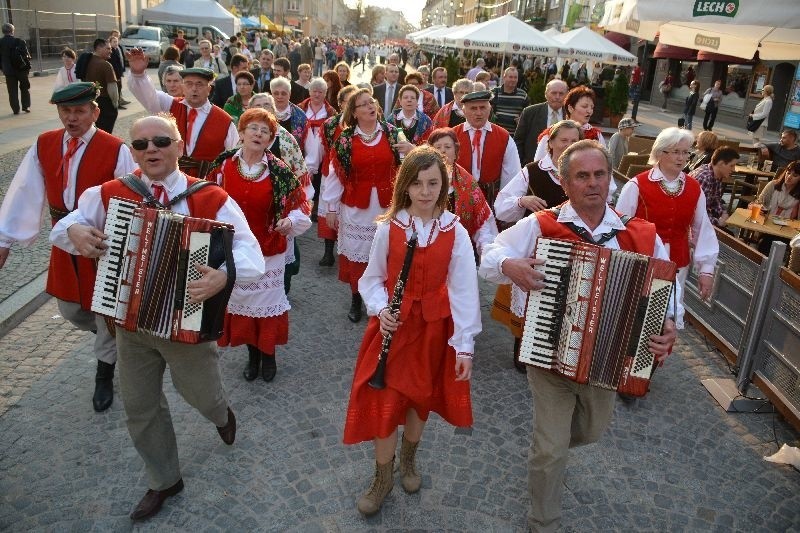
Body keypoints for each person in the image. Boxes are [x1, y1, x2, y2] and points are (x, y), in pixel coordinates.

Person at [50, 114, 263, 521]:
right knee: (140, 406)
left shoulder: (211, 198)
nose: (151, 150)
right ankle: (164, 479)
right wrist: (74, 232)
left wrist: (223, 274)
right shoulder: (111, 193)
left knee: (202, 396)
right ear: (132, 152)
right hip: (130, 326)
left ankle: (221, 414)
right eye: (141, 145)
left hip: (187, 325)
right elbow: (66, 226)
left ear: (179, 146)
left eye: (161, 141)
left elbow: (250, 253)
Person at [479, 139, 677, 533]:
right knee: (551, 448)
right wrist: (509, 265)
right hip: (549, 355)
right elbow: (488, 253)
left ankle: (545, 453)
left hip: (605, 362)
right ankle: (543, 520)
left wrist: (669, 324)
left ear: (610, 180)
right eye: (582, 176)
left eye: (600, 174)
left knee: (590, 431)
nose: (593, 183)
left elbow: (667, 289)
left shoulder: (639, 234)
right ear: (565, 183)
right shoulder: (542, 224)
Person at [343, 146, 481, 517]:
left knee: (421, 399)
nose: (425, 191)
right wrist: (380, 307)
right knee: (384, 402)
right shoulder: (390, 226)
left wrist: (464, 346)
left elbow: (465, 289)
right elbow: (371, 279)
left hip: (434, 330)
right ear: (405, 185)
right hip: (392, 328)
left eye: (433, 183)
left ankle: (409, 458)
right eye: (417, 183)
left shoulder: (456, 231)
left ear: (444, 185)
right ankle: (382, 477)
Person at [0, 82, 136, 412]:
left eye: (79, 111)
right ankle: (116, 336)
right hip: (63, 239)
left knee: (105, 312)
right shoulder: (45, 143)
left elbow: (131, 195)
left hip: (103, 240)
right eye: (65, 111)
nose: (71, 118)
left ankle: (105, 372)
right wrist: (5, 239)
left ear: (95, 112)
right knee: (71, 308)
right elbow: (25, 190)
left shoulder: (115, 148)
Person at [212, 108, 310, 383]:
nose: (258, 134)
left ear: (270, 140)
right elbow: (209, 201)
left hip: (269, 251)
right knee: (241, 305)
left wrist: (290, 223)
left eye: (264, 131)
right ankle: (252, 356)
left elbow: (301, 206)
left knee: (265, 307)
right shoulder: (223, 166)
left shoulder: (279, 171)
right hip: (234, 251)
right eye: (252, 128)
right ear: (241, 134)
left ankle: (268, 356)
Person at [492, 120, 582, 371]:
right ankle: (523, 350)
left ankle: (560, 352)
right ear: (550, 143)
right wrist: (523, 200)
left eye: (574, 141)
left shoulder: (583, 173)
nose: (568, 146)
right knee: (532, 296)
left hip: (573, 250)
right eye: (564, 140)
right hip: (535, 248)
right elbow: (501, 206)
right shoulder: (532, 171)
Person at [322, 88, 412, 322]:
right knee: (358, 256)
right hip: (355, 209)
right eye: (363, 104)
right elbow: (335, 174)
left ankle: (385, 299)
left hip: (387, 207)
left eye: (372, 101)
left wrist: (410, 150)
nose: (370, 106)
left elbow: (408, 164)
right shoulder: (345, 140)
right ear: (354, 112)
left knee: (386, 253)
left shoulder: (393, 133)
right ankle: (355, 298)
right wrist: (331, 208)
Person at [617, 127, 719, 329]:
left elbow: (703, 230)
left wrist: (706, 271)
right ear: (660, 153)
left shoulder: (693, 188)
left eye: (685, 152)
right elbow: (620, 227)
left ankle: (659, 357)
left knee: (668, 319)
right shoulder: (637, 185)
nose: (681, 158)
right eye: (675, 152)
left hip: (677, 264)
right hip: (642, 262)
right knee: (636, 319)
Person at [127, 49, 239, 179]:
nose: (194, 89)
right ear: (183, 86)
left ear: (209, 89)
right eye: (189, 84)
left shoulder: (224, 121)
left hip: (206, 182)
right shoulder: (170, 104)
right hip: (169, 177)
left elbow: (234, 159)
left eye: (200, 84)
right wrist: (138, 74)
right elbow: (148, 96)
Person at [427, 128, 497, 256]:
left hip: (458, 248)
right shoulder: (419, 179)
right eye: (438, 147)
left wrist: (486, 251)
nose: (443, 151)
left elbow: (483, 221)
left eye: (448, 147)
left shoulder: (467, 182)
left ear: (455, 152)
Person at [453, 90, 522, 212]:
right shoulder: (452, 136)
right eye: (473, 108)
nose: (479, 113)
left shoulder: (503, 137)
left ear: (490, 109)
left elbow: (512, 175)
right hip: (459, 199)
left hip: (491, 200)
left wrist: (507, 206)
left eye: (483, 107)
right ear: (463, 111)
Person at [316, 84, 360, 267]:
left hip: (354, 178)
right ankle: (328, 252)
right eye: (348, 101)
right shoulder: (331, 124)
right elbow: (320, 149)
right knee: (329, 210)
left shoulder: (364, 125)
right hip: (331, 173)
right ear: (341, 104)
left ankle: (350, 251)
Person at [532, 86, 606, 164]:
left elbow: (604, 164)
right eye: (584, 106)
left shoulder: (596, 135)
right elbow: (538, 164)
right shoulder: (552, 132)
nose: (589, 111)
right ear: (570, 108)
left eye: (592, 107)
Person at [514, 79, 568, 166]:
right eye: (554, 93)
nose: (557, 97)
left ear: (566, 95)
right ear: (546, 94)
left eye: (561, 94)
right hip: (533, 166)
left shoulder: (571, 114)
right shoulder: (530, 112)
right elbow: (519, 142)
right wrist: (521, 166)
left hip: (563, 167)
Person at [689, 146, 739, 227]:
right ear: (721, 163)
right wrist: (718, 222)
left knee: (732, 236)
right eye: (731, 165)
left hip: (703, 223)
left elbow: (715, 202)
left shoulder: (716, 175)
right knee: (730, 237)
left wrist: (723, 213)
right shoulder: (705, 177)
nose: (734, 169)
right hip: (692, 227)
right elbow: (695, 212)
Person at [84, 39, 119, 133]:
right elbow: (112, 88)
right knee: (106, 132)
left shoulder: (87, 62)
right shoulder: (105, 65)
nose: (110, 51)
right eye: (108, 48)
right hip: (105, 103)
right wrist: (115, 104)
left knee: (97, 130)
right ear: (99, 48)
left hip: (91, 100)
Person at [0, 23, 31, 114]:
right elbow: (26, 56)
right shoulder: (20, 41)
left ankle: (15, 109)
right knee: (25, 88)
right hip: (21, 69)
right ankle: (26, 106)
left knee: (12, 91)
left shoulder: (0, 43)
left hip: (8, 71)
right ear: (12, 31)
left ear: (3, 31)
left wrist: (2, 68)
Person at [490, 67, 530, 136]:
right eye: (510, 77)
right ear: (504, 77)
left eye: (515, 77)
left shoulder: (523, 95)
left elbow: (529, 116)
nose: (513, 80)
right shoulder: (494, 92)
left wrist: (522, 120)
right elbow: (486, 111)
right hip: (495, 134)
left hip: (514, 137)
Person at [108, 35, 129, 109]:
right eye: (114, 42)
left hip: (119, 73)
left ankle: (118, 103)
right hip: (115, 74)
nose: (116, 43)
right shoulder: (111, 51)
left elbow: (121, 61)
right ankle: (116, 104)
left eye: (116, 41)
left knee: (119, 88)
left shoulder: (117, 49)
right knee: (116, 89)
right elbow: (114, 65)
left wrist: (122, 71)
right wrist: (117, 75)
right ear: (110, 43)